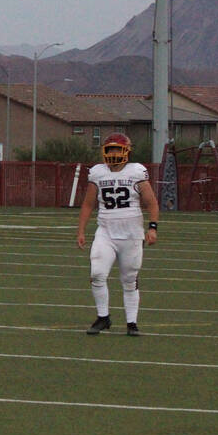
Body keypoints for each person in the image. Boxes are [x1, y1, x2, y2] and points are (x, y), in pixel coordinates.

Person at [76, 132, 159, 337]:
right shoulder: (98, 173)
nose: (113, 153)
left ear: (127, 151)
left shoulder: (136, 171)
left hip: (131, 234)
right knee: (97, 273)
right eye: (110, 149)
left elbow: (151, 202)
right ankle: (103, 317)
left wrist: (153, 227)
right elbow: (88, 204)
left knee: (129, 279)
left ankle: (132, 322)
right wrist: (81, 230)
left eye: (117, 149)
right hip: (105, 232)